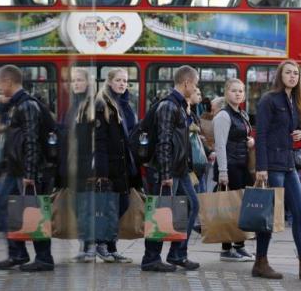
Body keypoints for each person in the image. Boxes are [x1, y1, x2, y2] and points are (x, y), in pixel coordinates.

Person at [255, 59, 301, 280]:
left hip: (289, 164)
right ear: (280, 76)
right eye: (288, 73)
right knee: (269, 215)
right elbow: (260, 134)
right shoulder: (269, 100)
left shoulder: (295, 100)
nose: (293, 76)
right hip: (272, 165)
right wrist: (261, 167)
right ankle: (260, 262)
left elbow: (294, 128)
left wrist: (300, 133)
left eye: (296, 74)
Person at [0, 65, 54, 272]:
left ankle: (44, 259)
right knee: (3, 205)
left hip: (27, 170)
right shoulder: (15, 104)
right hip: (14, 169)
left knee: (34, 211)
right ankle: (17, 253)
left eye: (0, 84)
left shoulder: (27, 105)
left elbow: (32, 140)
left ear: (8, 82)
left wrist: (30, 173)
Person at [141, 65, 200, 272]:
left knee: (192, 206)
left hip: (180, 170)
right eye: (195, 85)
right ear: (187, 83)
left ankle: (177, 254)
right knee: (161, 211)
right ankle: (151, 259)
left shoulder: (181, 105)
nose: (195, 89)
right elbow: (164, 142)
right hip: (167, 170)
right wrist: (165, 174)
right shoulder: (168, 106)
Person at [95, 68, 140, 263]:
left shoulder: (124, 104)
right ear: (109, 82)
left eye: (125, 81)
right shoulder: (102, 105)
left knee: (121, 205)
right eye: (119, 80)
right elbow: (99, 141)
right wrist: (102, 173)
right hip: (110, 166)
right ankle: (101, 244)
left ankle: (111, 247)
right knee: (112, 207)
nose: (122, 84)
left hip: (124, 165)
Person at [213, 78, 256, 262]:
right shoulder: (223, 116)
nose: (238, 94)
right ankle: (226, 249)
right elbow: (220, 145)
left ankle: (239, 245)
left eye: (241, 91)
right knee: (228, 209)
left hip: (241, 165)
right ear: (226, 93)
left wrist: (251, 142)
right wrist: (223, 172)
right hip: (229, 167)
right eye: (234, 90)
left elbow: (244, 138)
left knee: (240, 209)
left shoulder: (242, 114)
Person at [63, 68, 96, 263]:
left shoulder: (92, 106)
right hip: (73, 165)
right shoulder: (73, 106)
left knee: (85, 207)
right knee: (78, 207)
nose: (75, 84)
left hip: (87, 165)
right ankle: (85, 245)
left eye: (79, 80)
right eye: (73, 81)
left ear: (87, 83)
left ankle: (89, 246)